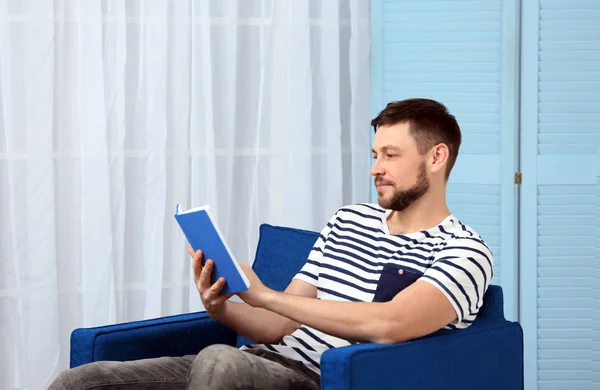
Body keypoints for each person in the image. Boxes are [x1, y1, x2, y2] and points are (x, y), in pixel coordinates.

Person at [49, 98, 493, 389]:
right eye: (374, 154)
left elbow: (390, 323)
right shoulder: (348, 219)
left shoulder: (464, 253)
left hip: (325, 379)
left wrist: (265, 295)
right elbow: (279, 327)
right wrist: (222, 307)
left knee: (221, 363)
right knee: (82, 382)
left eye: (391, 155)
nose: (376, 167)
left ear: (436, 157)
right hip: (260, 365)